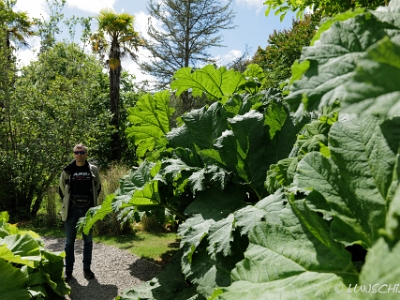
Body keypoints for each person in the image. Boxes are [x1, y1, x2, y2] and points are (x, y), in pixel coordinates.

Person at [59, 143, 101, 282]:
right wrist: (68, 203)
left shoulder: (93, 169)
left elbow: (98, 187)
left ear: (86, 154)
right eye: (77, 152)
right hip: (71, 211)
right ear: (74, 154)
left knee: (88, 241)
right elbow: (62, 190)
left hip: (88, 211)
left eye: (82, 152)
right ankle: (68, 270)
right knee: (69, 243)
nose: (79, 155)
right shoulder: (68, 170)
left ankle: (86, 269)